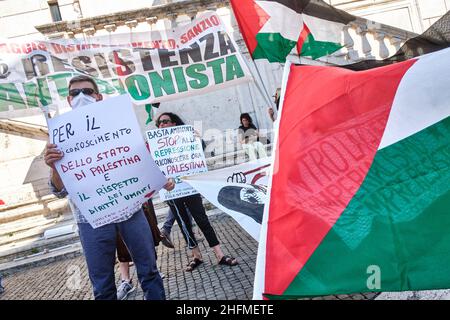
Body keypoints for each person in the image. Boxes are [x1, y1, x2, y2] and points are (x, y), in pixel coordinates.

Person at [44, 75, 175, 300]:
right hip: (90, 220)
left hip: (130, 211)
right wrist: (54, 167)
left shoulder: (119, 123)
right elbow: (59, 191)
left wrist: (160, 179)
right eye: (75, 93)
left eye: (87, 91)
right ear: (68, 99)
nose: (81, 97)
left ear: (98, 96)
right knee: (103, 285)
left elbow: (136, 161)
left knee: (150, 271)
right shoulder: (59, 135)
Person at [155, 112, 239, 272]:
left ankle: (219, 254)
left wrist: (196, 139)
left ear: (174, 123)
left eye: (165, 121)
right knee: (183, 224)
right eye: (159, 123)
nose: (162, 125)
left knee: (202, 219)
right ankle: (196, 256)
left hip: (189, 186)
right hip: (172, 189)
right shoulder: (156, 143)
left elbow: (200, 151)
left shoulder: (188, 136)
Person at [116, 198, 163, 300]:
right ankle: (126, 280)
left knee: (145, 235)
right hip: (106, 205)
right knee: (119, 241)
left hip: (134, 202)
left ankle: (152, 270)